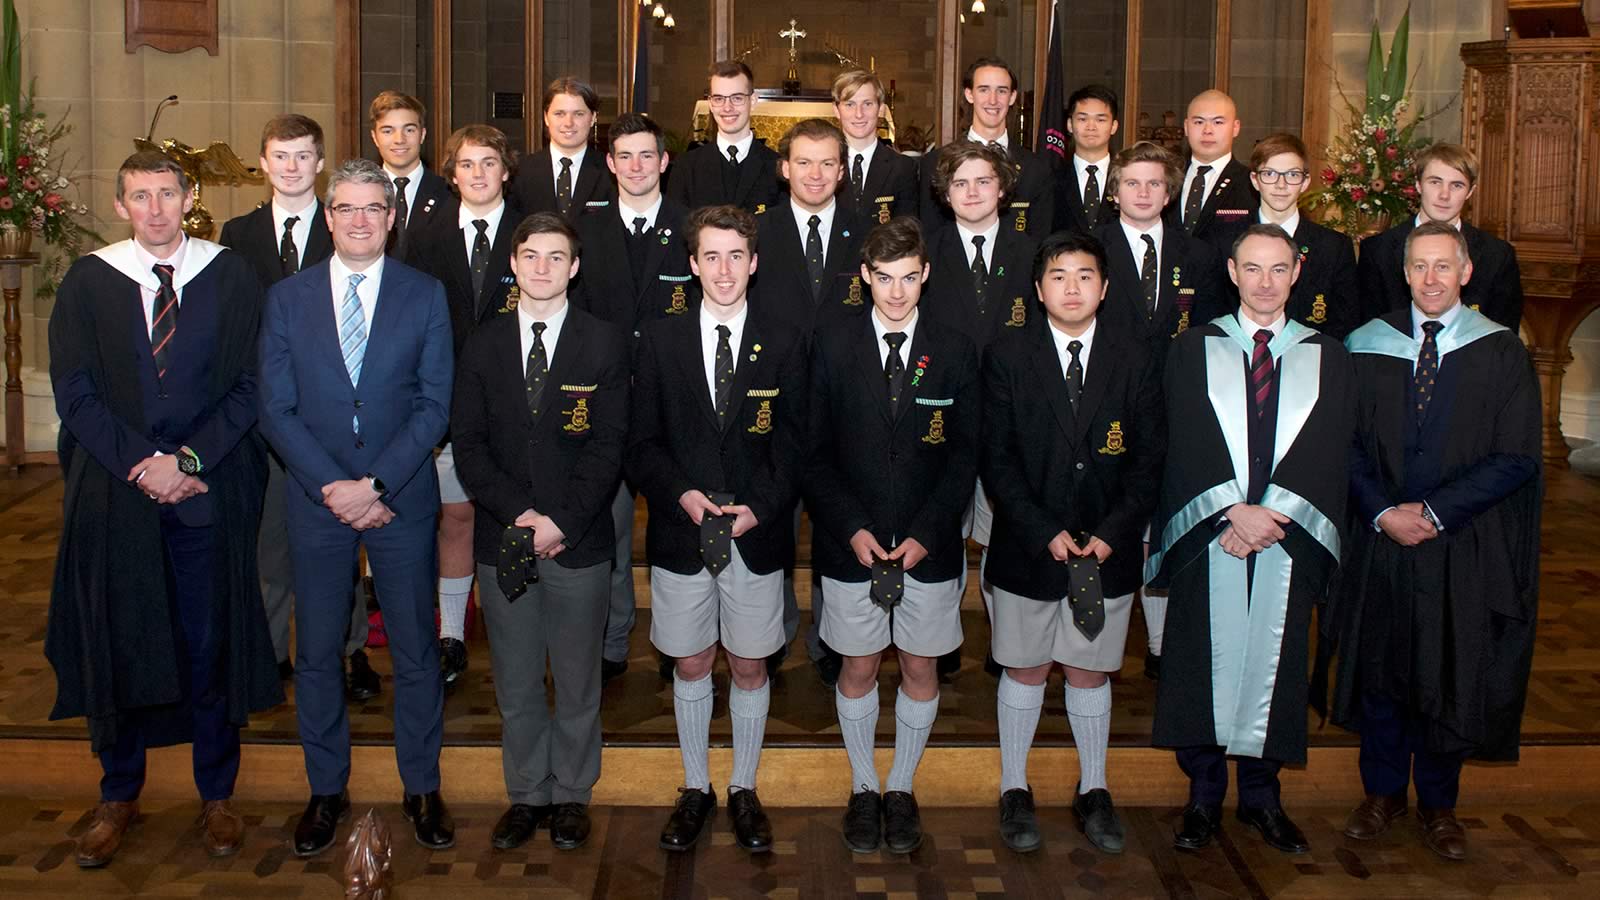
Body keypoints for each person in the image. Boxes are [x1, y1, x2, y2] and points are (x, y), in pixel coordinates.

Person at [47, 150, 281, 867]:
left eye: (166, 193)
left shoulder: (230, 276)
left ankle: (216, 794)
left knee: (208, 638)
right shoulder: (89, 282)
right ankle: (118, 792)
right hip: (117, 493)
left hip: (206, 489)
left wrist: (186, 462)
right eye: (139, 196)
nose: (154, 209)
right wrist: (140, 465)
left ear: (189, 197)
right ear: (120, 206)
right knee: (117, 635)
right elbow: (75, 392)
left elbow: (251, 384)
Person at [258, 158, 455, 857]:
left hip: (399, 498)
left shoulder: (425, 294)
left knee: (414, 650)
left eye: (374, 207)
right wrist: (334, 488)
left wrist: (373, 484)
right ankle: (325, 788)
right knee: (315, 652)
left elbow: (435, 405)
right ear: (328, 214)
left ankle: (422, 786)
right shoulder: (288, 298)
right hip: (317, 501)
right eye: (346, 207)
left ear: (392, 216)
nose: (361, 219)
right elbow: (275, 410)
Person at [1331, 221, 1540, 862]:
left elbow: (1516, 456)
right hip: (1382, 538)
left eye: (1442, 267)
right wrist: (1382, 511)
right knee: (1383, 666)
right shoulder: (1367, 345)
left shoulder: (1502, 352)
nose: (1430, 279)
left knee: (1451, 664)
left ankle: (1440, 804)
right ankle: (1382, 793)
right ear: (1404, 271)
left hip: (1462, 542)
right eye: (1419, 266)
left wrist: (1432, 511)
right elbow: (1343, 444)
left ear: (1466, 272)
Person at [1147, 224, 1355, 856]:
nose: (1266, 282)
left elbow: (1329, 452)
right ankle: (1203, 799)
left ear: (1297, 274)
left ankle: (1263, 800)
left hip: (1287, 540)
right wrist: (1229, 513)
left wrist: (1273, 518)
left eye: (1279, 269)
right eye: (1253, 269)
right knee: (1202, 666)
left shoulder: (1328, 355)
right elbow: (1180, 441)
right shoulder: (1192, 349)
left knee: (1277, 664)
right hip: (1212, 532)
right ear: (1232, 273)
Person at [628, 205, 807, 854]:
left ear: (754, 263)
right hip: (682, 533)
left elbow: (796, 443)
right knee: (694, 660)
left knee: (751, 664)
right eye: (711, 256)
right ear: (692, 264)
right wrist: (680, 494)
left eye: (736, 256)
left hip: (756, 533)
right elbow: (641, 442)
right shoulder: (659, 338)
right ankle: (697, 786)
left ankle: (744, 787)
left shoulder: (785, 339)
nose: (724, 269)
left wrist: (761, 504)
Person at [451, 212, 629, 851]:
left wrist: (560, 521)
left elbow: (609, 447)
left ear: (574, 268)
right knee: (518, 678)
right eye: (531, 256)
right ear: (514, 265)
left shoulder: (605, 343)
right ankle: (527, 792)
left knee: (578, 679)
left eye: (557, 257)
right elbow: (469, 444)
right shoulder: (484, 342)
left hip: (578, 541)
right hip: (504, 539)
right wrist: (520, 518)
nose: (543, 268)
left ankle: (574, 793)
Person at [982, 231, 1164, 855]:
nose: (1072, 288)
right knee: (1025, 666)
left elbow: (1148, 460)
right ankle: (1014, 786)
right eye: (1058, 276)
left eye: (1085, 276)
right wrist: (1042, 529)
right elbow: (997, 458)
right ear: (1038, 289)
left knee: (1089, 671)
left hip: (1106, 548)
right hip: (1029, 546)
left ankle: (1095, 787)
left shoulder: (1136, 356)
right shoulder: (1008, 355)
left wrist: (1114, 535)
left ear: (1105, 288)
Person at [806, 216, 979, 855]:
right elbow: (812, 451)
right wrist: (850, 527)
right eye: (884, 279)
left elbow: (966, 455)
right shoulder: (830, 344)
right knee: (856, 664)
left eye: (909, 278)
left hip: (925, 545)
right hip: (851, 542)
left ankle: (901, 786)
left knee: (918, 663)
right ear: (865, 278)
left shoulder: (957, 348)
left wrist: (930, 533)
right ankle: (862, 785)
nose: (897, 292)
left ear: (926, 274)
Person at [218, 114, 378, 699]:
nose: (291, 167)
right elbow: (232, 326)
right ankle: (268, 653)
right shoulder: (238, 235)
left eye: (304, 156)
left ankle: (351, 648)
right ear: (263, 163)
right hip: (261, 415)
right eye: (280, 156)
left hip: (332, 415)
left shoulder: (346, 228)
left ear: (320, 163)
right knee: (271, 543)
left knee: (341, 540)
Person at [573, 111, 697, 683]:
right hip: (604, 402)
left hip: (675, 406)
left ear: (664, 161)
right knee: (611, 526)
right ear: (609, 163)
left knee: (679, 524)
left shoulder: (691, 227)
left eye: (647, 155)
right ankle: (613, 641)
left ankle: (683, 644)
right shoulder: (584, 227)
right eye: (625, 156)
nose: (636, 166)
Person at [1095, 140, 1226, 679]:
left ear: (1169, 193)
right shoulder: (1090, 249)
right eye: (1132, 182)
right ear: (1114, 190)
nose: (1143, 192)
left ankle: (1160, 646)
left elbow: (1214, 335)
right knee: (1113, 517)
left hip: (1178, 408)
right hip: (1106, 404)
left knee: (1164, 524)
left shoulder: (1200, 256)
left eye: (1154, 183)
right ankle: (1098, 641)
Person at [411, 123, 523, 689]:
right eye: (467, 164)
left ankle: (515, 634)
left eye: (489, 163)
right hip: (447, 397)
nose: (478, 174)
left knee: (507, 517)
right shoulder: (425, 237)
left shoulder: (531, 232)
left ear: (506, 170)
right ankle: (452, 633)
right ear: (451, 175)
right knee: (456, 516)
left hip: (517, 400)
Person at [1354, 143, 1523, 329]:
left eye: (1457, 185)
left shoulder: (1497, 255)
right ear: (1418, 184)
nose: (1444, 195)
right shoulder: (1378, 250)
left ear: (1470, 192)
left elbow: (1502, 339)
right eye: (1435, 182)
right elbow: (1368, 331)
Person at [1209, 133, 1360, 339]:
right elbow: (1213, 309)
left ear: (1305, 182)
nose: (1281, 185)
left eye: (1292, 174)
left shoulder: (1333, 247)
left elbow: (1344, 321)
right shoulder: (1224, 241)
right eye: (1270, 174)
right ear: (1255, 180)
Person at [754, 118, 869, 344]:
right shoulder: (756, 233)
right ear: (786, 168)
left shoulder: (867, 234)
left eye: (827, 163)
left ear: (841, 172)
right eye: (804, 163)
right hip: (776, 368)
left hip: (843, 370)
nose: (815, 175)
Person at [917, 57, 1055, 238]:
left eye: (1002, 91)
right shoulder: (934, 163)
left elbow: (1040, 241)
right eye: (984, 90)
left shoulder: (1036, 169)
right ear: (969, 94)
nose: (993, 100)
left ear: (1012, 97)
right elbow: (931, 238)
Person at [667, 60, 782, 214]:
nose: (727, 108)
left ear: (753, 101)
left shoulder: (777, 167)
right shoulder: (686, 167)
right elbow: (677, 228)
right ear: (710, 103)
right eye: (719, 99)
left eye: (737, 98)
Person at [511, 76, 616, 221]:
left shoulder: (612, 172)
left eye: (578, 114)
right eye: (559, 114)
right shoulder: (520, 172)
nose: (568, 123)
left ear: (592, 118)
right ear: (546, 118)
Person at [369, 90, 453, 263]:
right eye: (387, 131)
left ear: (422, 135)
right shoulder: (361, 195)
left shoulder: (449, 194)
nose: (399, 139)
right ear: (375, 138)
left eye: (409, 129)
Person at [832, 70, 918, 226]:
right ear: (836, 110)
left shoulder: (902, 168)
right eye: (850, 104)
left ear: (881, 109)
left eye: (867, 104)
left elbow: (906, 233)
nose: (859, 114)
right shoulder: (823, 164)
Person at [1170, 90, 1258, 242]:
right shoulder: (1167, 177)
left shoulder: (1251, 184)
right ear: (1186, 126)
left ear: (1236, 127)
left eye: (1218, 122)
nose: (1207, 131)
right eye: (1199, 122)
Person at [1051, 84, 1122, 236]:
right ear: (1070, 125)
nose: (1091, 127)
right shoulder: (1050, 179)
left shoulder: (1127, 178)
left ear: (1114, 126)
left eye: (1100, 120)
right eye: (1083, 119)